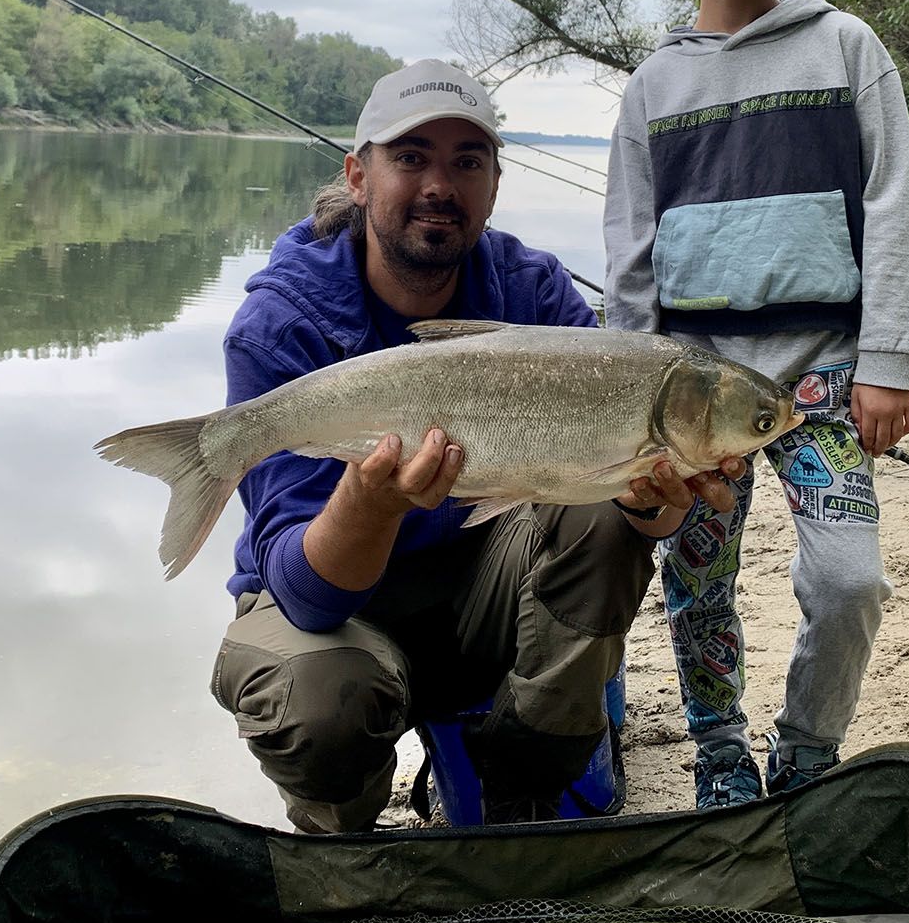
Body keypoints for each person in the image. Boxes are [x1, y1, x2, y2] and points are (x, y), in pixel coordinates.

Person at [211, 58, 739, 831]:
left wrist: (656, 507)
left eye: (467, 161)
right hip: (331, 603)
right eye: (411, 158)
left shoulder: (535, 294)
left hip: (485, 588)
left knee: (600, 511)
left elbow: (632, 528)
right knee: (320, 708)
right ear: (358, 176)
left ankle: (520, 794)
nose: (439, 185)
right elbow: (308, 594)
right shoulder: (281, 323)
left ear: (495, 182)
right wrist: (369, 500)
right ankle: (344, 839)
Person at [602, 0, 909, 809]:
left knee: (849, 582)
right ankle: (720, 757)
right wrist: (629, 401)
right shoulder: (653, 85)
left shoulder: (847, 48)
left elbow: (894, 207)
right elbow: (630, 257)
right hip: (691, 398)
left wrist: (890, 364)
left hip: (826, 378)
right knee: (698, 586)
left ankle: (808, 753)